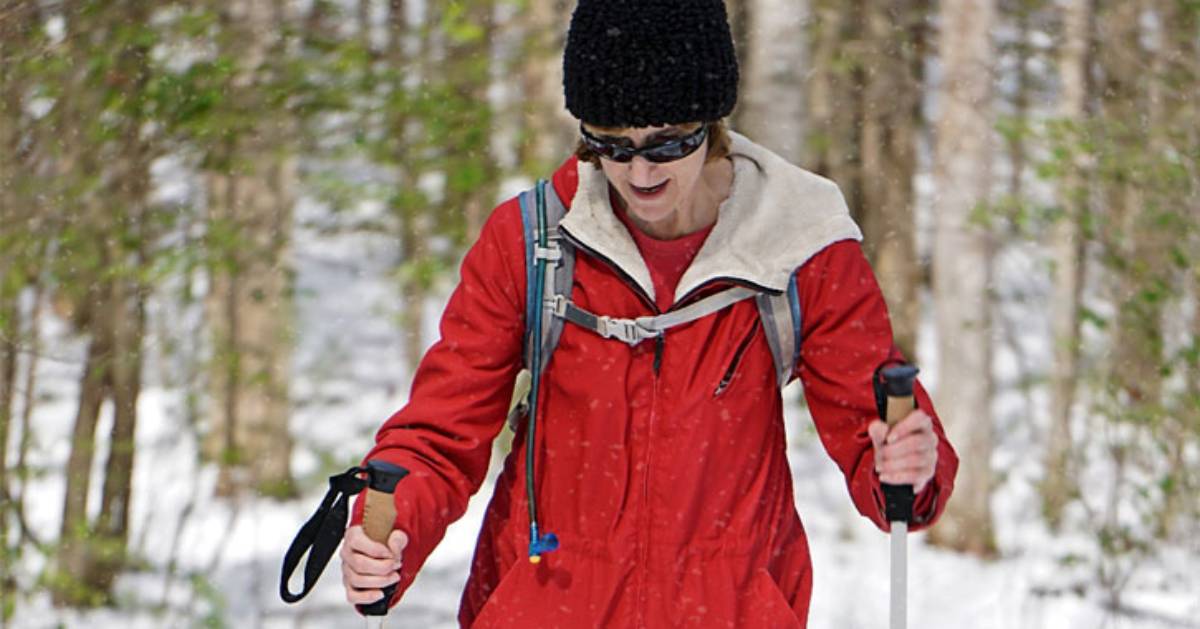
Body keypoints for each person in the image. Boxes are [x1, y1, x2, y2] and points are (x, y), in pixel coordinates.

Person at [339, 1, 958, 626]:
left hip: (728, 607)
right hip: (547, 604)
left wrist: (906, 466)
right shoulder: (533, 242)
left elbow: (877, 431)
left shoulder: (799, 243)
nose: (638, 173)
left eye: (668, 144)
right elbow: (441, 431)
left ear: (711, 122)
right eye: (611, 145)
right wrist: (389, 528)